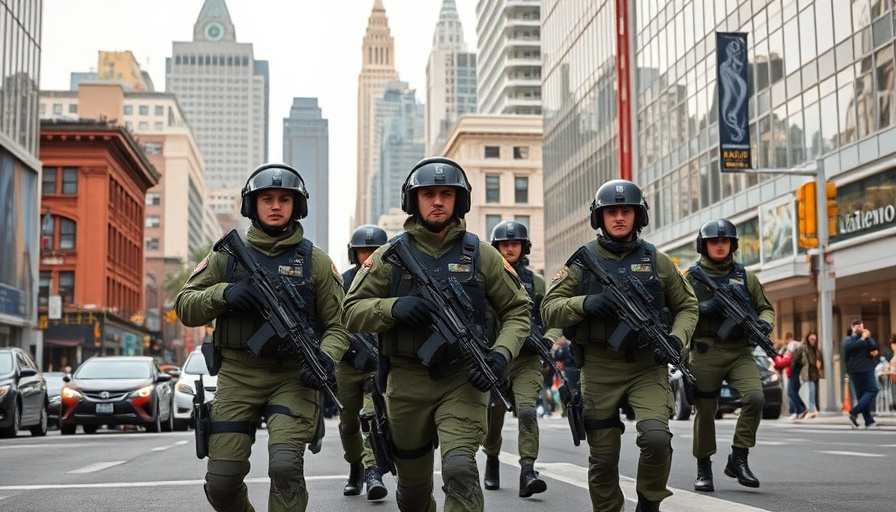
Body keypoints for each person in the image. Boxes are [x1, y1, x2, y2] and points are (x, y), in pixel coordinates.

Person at [342, 157, 531, 512]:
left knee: (460, 469)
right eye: (428, 194)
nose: (438, 201)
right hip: (406, 383)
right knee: (412, 493)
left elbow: (518, 310)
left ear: (460, 200)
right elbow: (350, 311)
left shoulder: (482, 255)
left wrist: (500, 354)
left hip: (463, 379)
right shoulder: (389, 256)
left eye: (447, 194)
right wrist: (393, 308)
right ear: (413, 200)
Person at [174, 163, 349, 512]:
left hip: (293, 377)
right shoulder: (225, 257)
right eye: (267, 198)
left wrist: (326, 357)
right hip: (237, 375)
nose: (275, 206)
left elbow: (339, 326)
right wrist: (223, 294)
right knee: (222, 484)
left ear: (297, 206)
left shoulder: (315, 261)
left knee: (286, 467)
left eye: (284, 199)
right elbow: (185, 306)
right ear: (252, 205)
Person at [540, 179, 698, 512]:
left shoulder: (657, 261)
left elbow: (688, 306)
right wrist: (586, 304)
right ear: (600, 217)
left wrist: (676, 339)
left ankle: (649, 502)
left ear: (639, 216)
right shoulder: (582, 262)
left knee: (657, 438)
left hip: (647, 366)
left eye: (626, 211)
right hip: (599, 367)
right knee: (603, 458)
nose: (619, 218)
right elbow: (549, 308)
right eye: (611, 212)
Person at [685, 219, 775, 493]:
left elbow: (765, 308)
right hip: (705, 351)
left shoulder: (746, 277)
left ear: (732, 245)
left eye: (725, 241)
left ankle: (739, 457)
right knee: (705, 411)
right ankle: (704, 466)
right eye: (714, 241)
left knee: (755, 397)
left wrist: (764, 324)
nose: (720, 245)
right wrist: (704, 308)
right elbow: (676, 310)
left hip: (740, 352)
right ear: (704, 245)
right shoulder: (691, 278)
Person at [480, 220, 561, 497]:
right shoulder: (485, 280)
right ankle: (491, 457)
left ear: (524, 248)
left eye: (515, 244)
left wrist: (547, 339)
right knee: (493, 416)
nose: (509, 249)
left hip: (526, 360)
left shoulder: (535, 282)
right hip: (495, 358)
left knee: (527, 411)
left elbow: (552, 317)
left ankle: (528, 470)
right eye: (504, 244)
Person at [337, 225, 389, 501]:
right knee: (348, 424)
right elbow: (331, 323)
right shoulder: (341, 282)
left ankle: (372, 472)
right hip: (347, 364)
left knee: (371, 417)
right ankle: (355, 465)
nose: (368, 257)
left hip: (377, 364)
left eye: (374, 251)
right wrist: (350, 350)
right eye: (363, 252)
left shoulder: (391, 282)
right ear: (353, 254)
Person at [842, 319, 879, 428]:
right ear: (852, 327)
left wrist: (867, 337)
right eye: (856, 325)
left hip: (867, 369)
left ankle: (855, 412)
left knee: (873, 389)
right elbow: (850, 348)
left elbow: (874, 347)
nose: (859, 327)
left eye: (860, 325)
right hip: (855, 371)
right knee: (861, 396)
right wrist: (862, 339)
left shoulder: (867, 339)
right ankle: (869, 421)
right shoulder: (848, 340)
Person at [801, 332, 823, 419]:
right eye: (811, 339)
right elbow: (806, 361)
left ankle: (814, 409)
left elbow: (820, 360)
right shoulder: (805, 349)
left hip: (815, 373)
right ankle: (811, 409)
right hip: (808, 373)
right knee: (811, 392)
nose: (813, 341)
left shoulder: (817, 350)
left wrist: (819, 364)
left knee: (815, 392)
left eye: (814, 339)